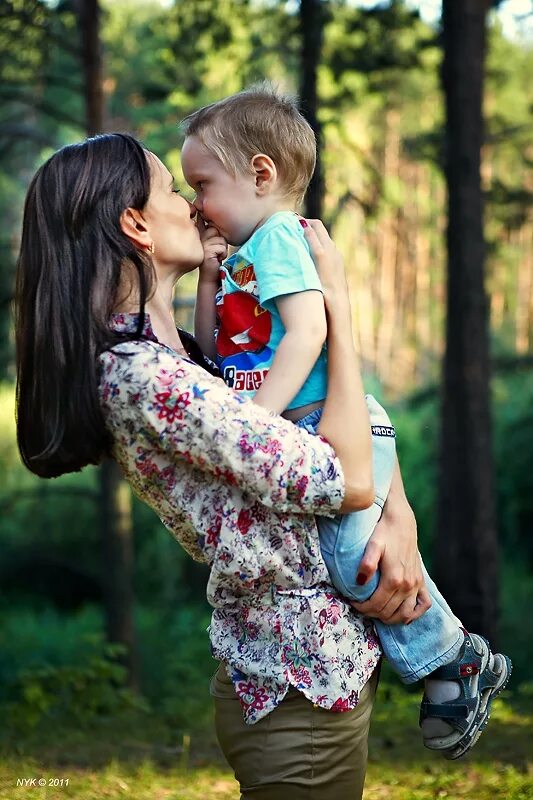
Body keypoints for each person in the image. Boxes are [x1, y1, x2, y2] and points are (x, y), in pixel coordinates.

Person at [15, 132, 430, 800]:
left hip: (322, 670)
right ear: (134, 224)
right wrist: (337, 315)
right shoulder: (146, 380)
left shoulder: (180, 357)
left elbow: (347, 421)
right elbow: (346, 479)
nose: (195, 207)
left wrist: (400, 520)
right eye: (175, 191)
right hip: (293, 690)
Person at [180, 84, 512, 760]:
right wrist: (210, 282)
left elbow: (306, 334)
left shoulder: (278, 240)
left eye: (203, 183)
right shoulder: (244, 257)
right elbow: (216, 354)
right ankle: (445, 660)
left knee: (356, 562)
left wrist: (255, 423)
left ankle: (454, 658)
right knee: (350, 559)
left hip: (333, 423)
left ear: (261, 174)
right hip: (295, 428)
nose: (195, 204)